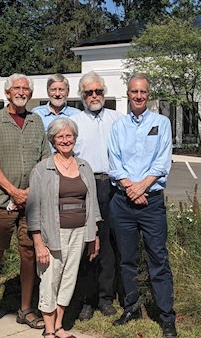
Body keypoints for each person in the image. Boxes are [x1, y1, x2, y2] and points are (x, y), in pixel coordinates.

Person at [0, 74, 51, 338]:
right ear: (7, 93)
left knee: (29, 254)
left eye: (25, 88)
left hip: (31, 203)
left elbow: (44, 159)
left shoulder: (36, 121)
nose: (21, 91)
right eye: (16, 88)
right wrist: (14, 191)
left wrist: (28, 192)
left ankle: (26, 309)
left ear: (30, 93)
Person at [108, 73, 177, 338]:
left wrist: (142, 187)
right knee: (127, 259)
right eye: (134, 92)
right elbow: (114, 163)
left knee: (158, 259)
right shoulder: (118, 126)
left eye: (143, 92)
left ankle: (166, 316)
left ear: (149, 95)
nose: (138, 96)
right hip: (123, 203)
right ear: (128, 94)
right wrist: (131, 188)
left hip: (151, 202)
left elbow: (162, 162)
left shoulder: (162, 123)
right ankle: (131, 307)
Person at [26, 118, 101, 338]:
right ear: (53, 140)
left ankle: (59, 326)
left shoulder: (85, 167)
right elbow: (34, 210)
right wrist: (38, 243)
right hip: (52, 234)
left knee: (68, 279)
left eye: (69, 136)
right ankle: (48, 330)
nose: (65, 140)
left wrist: (94, 235)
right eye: (60, 136)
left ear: (75, 139)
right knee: (50, 279)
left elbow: (92, 203)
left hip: (80, 232)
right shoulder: (42, 169)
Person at [70, 71, 123, 320]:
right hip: (86, 187)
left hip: (112, 186)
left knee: (109, 245)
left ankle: (105, 298)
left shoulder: (117, 119)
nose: (94, 96)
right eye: (89, 92)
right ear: (82, 96)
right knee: (87, 244)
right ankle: (87, 300)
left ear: (104, 93)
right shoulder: (75, 122)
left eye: (98, 91)